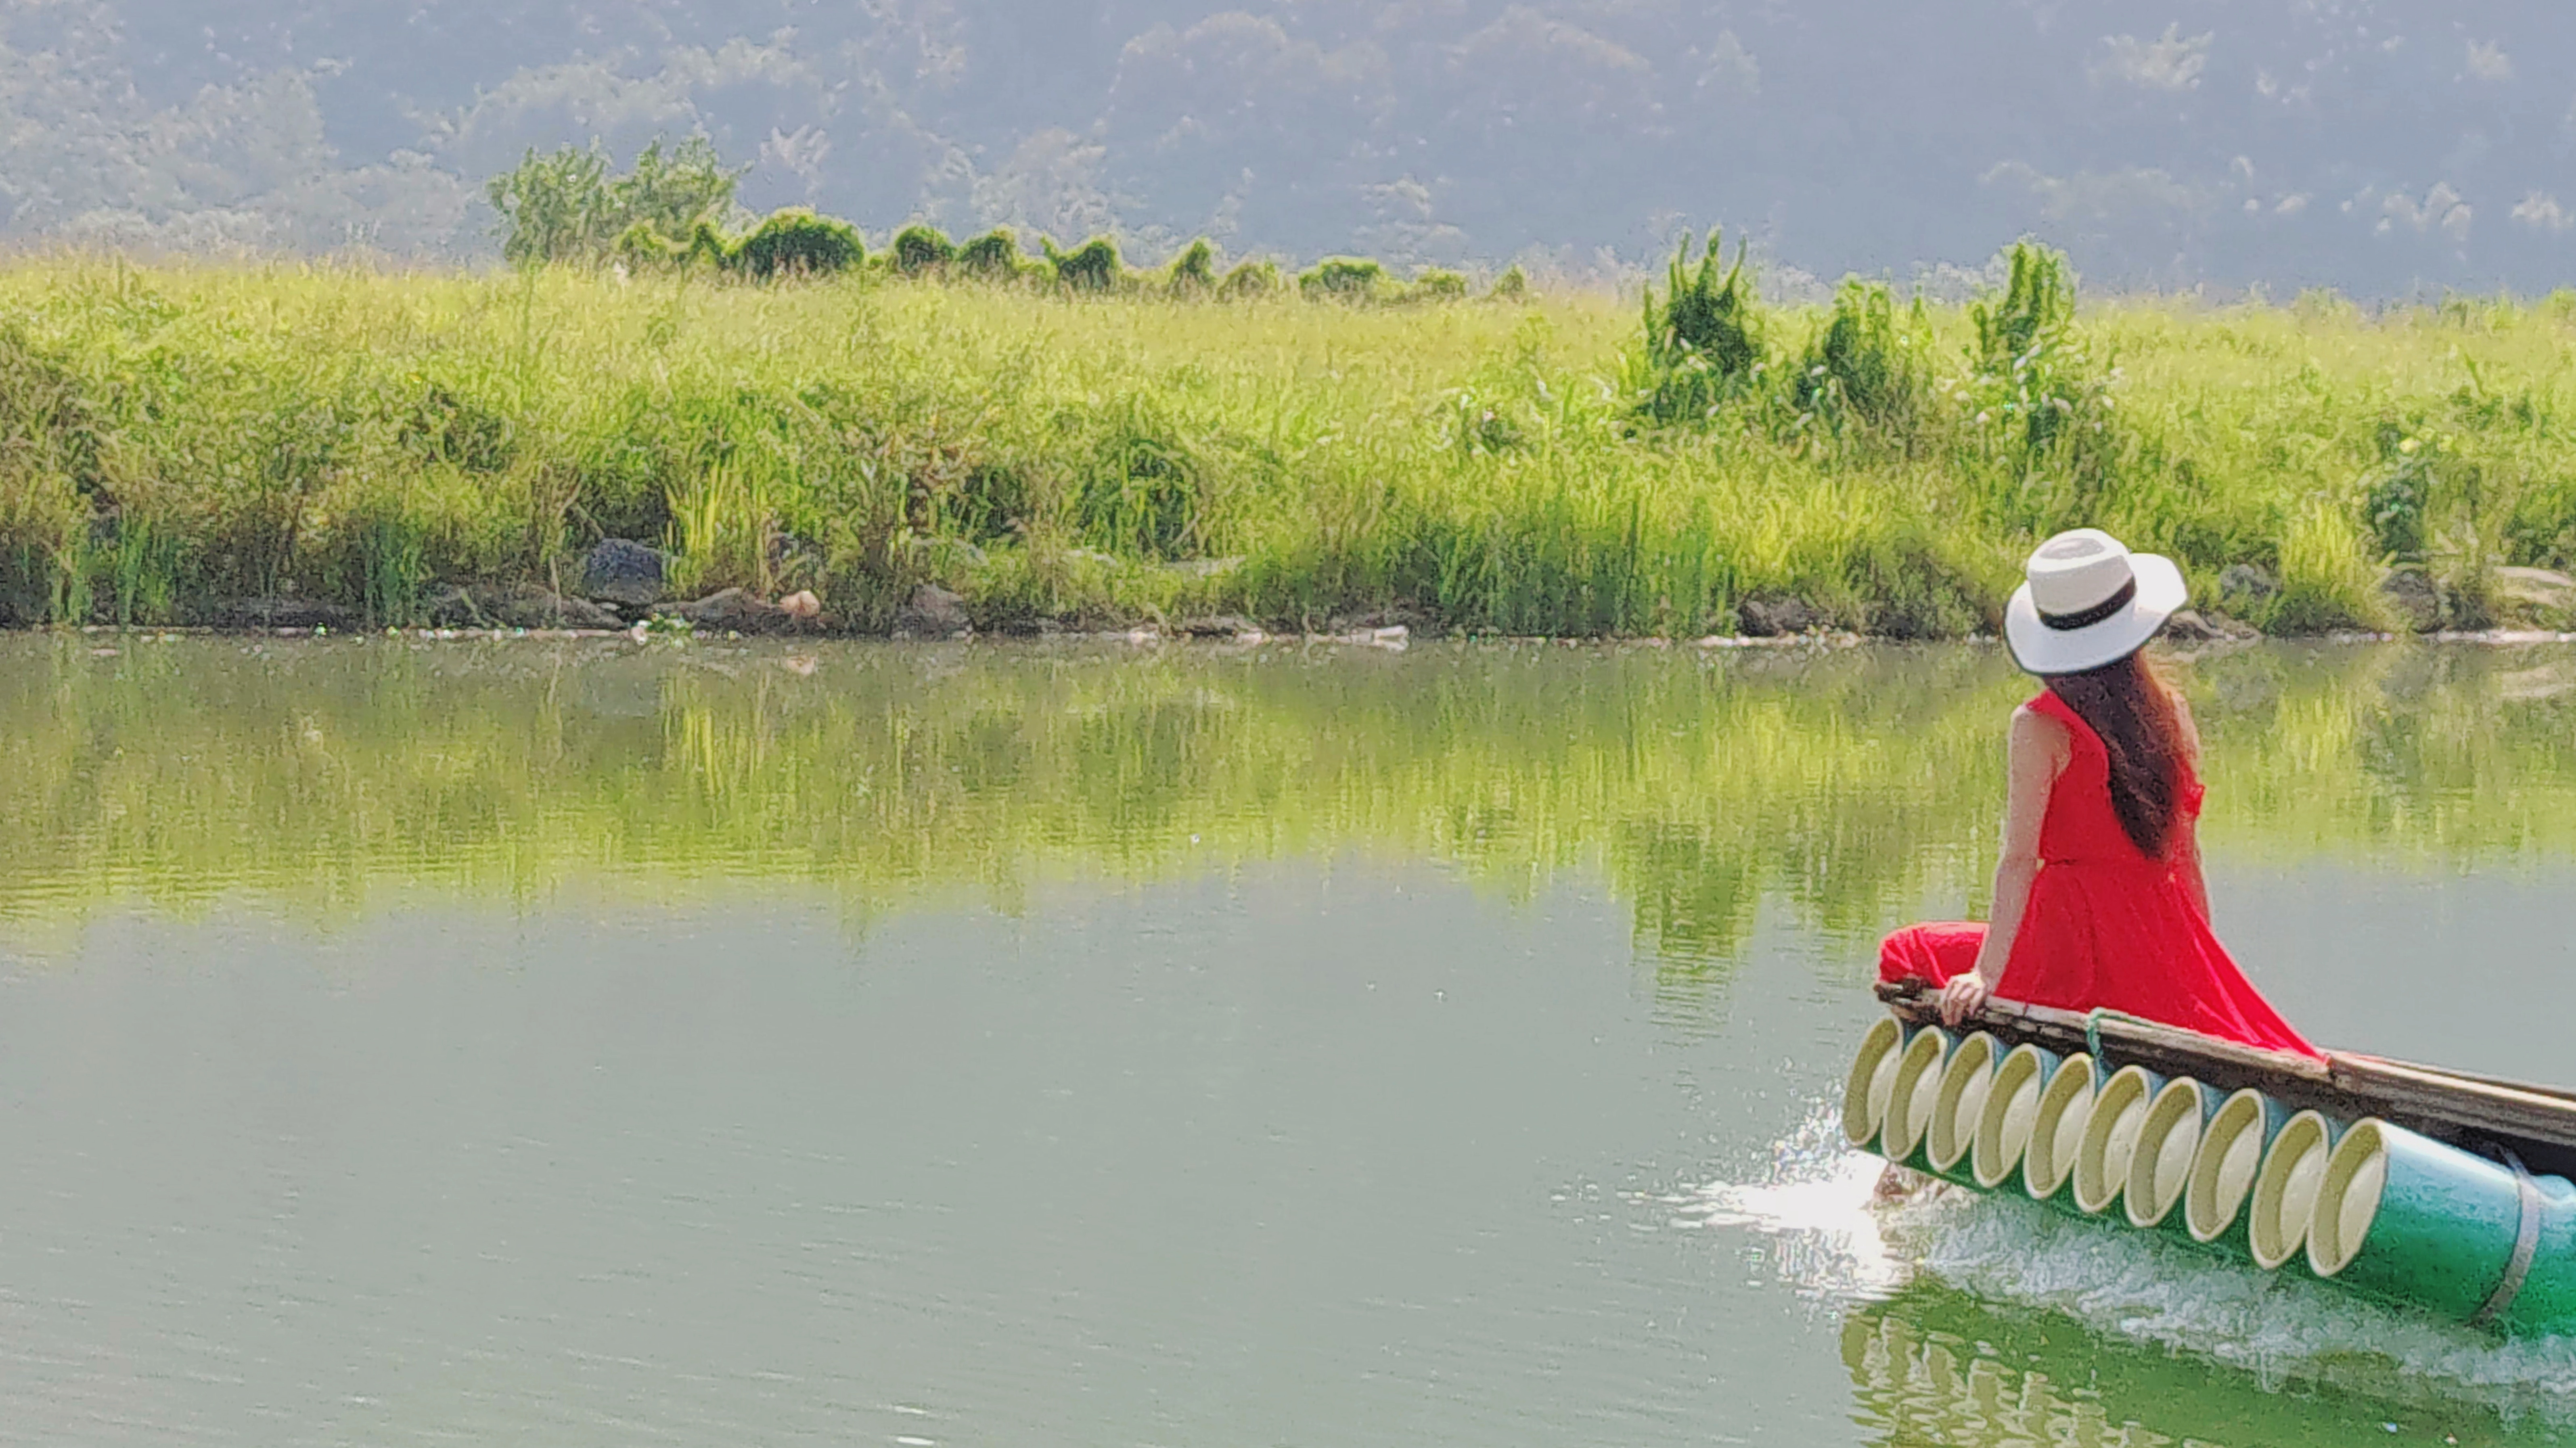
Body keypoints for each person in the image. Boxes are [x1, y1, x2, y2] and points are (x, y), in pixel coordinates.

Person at [1877, 527, 2315, 1057]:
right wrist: (2199, 963)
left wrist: (1985, 975)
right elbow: (2187, 857)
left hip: (2069, 937)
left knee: (1905, 951)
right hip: (2161, 929)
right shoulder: (2171, 712)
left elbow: (2018, 861)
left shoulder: (2039, 727)